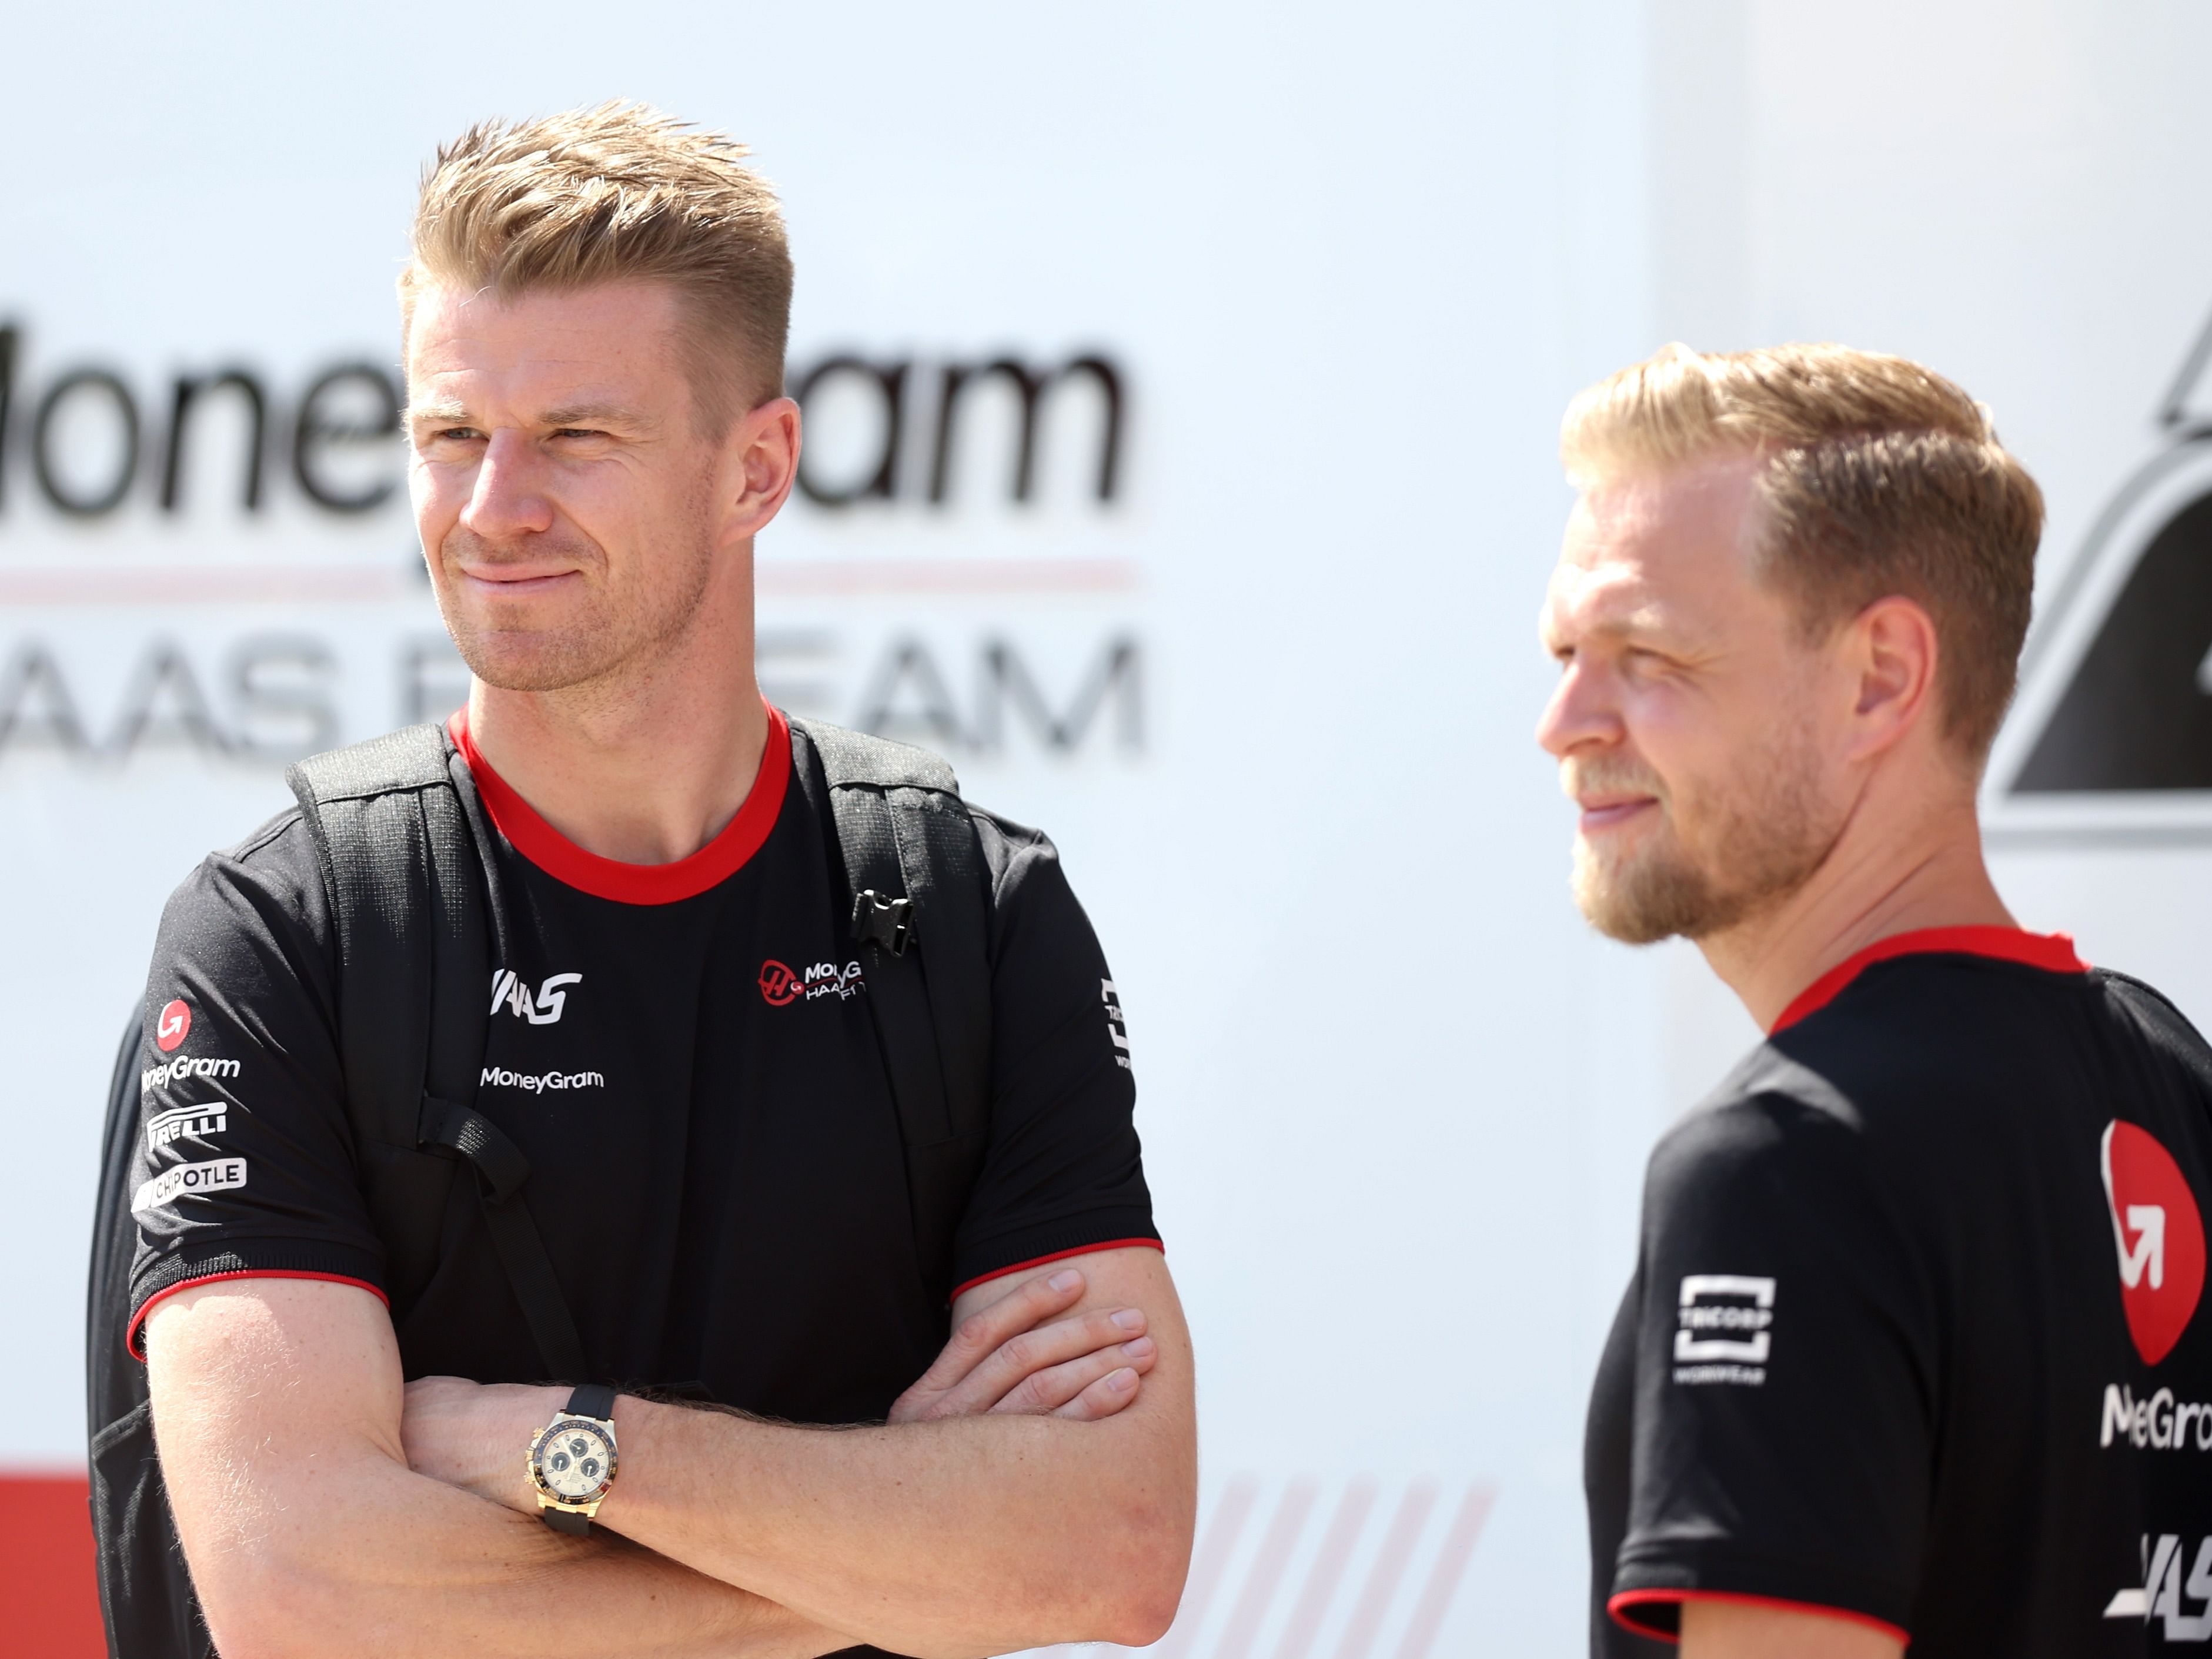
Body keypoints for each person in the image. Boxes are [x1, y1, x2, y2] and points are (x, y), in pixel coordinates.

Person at [125, 103, 1194, 1659]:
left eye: (576, 435)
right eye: (449, 436)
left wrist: (574, 1443)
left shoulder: (971, 907)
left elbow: (1111, 1546)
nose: (492, 508)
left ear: (757, 466)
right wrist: (897, 1549)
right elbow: (303, 1589)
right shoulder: (285, 932)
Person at [1540, 343, 2212, 1658]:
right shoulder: (2178, 1086)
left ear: (1881, 678)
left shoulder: (1787, 1166)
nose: (1566, 717)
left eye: (1646, 654)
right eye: (1566, 649)